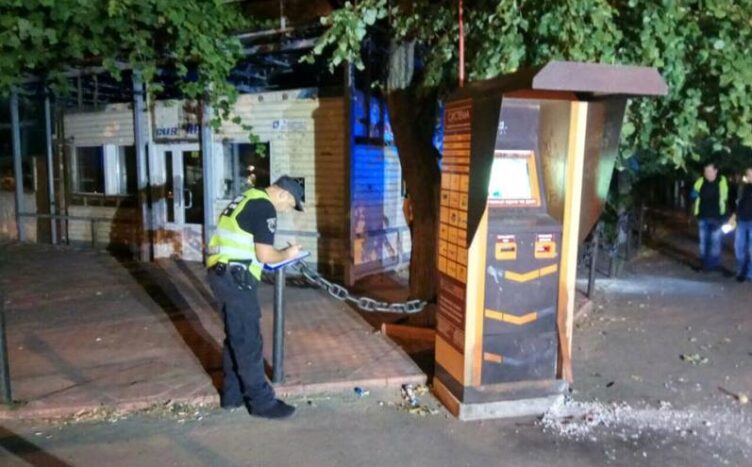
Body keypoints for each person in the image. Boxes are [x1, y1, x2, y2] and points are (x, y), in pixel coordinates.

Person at [206, 175, 304, 419]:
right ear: (282, 193)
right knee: (249, 341)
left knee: (236, 336)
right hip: (236, 278)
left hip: (222, 273)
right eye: (290, 204)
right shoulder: (264, 207)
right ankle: (262, 403)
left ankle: (232, 395)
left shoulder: (247, 197)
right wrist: (289, 253)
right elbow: (265, 256)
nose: (286, 210)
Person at [690, 162, 729, 272]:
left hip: (717, 217)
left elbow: (726, 198)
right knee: (703, 242)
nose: (707, 173)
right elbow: (693, 194)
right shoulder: (700, 181)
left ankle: (714, 264)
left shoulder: (722, 181)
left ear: (716, 171)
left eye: (709, 171)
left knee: (716, 241)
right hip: (702, 216)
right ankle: (705, 264)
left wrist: (726, 215)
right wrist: (693, 195)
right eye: (705, 171)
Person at [734, 167, 752, 282]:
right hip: (741, 220)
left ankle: (750, 273)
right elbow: (738, 202)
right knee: (739, 247)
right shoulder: (743, 187)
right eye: (748, 174)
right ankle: (741, 269)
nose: (750, 177)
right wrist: (734, 215)